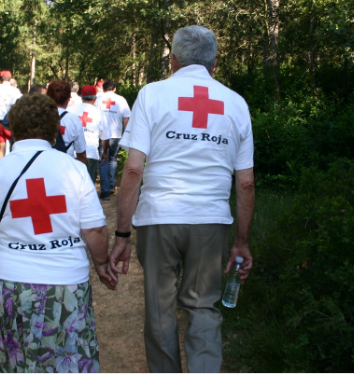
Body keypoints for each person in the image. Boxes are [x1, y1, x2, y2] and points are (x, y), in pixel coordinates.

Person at [108, 25, 255, 373]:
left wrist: (122, 234)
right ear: (214, 64)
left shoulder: (152, 94)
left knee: (160, 307)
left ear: (172, 61)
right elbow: (246, 183)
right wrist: (242, 242)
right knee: (203, 306)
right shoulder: (235, 103)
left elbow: (132, 171)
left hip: (159, 216)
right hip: (211, 220)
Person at [0, 93, 116, 373]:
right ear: (55, 130)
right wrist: (101, 264)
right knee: (68, 358)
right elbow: (95, 229)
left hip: (12, 284)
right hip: (67, 284)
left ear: (13, 129)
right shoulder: (75, 170)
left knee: (17, 361)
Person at [69, 85, 110, 191]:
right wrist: (104, 153)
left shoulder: (71, 111)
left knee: (73, 186)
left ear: (81, 96)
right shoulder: (99, 113)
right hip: (91, 153)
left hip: (73, 153)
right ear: (95, 98)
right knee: (89, 187)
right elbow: (105, 137)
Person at [95, 79, 131, 199]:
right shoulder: (121, 99)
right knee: (112, 159)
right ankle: (111, 185)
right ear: (114, 88)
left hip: (102, 135)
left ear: (104, 88)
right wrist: (127, 134)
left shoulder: (98, 99)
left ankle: (105, 191)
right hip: (116, 135)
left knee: (103, 161)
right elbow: (126, 119)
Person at [47, 80, 88, 165]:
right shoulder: (73, 120)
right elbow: (81, 154)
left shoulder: (39, 116)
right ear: (68, 99)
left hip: (44, 165)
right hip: (66, 166)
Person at [0, 70, 22, 159]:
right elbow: (21, 106)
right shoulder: (15, 91)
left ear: (0, 79)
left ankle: (1, 169)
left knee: (1, 149)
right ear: (10, 78)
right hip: (11, 122)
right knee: (14, 148)